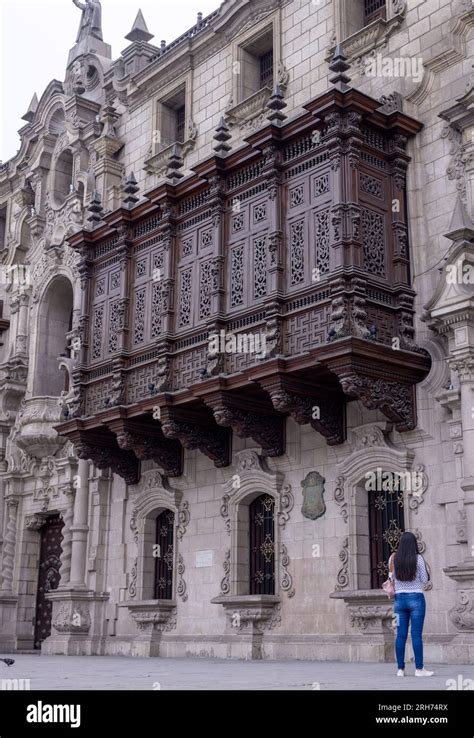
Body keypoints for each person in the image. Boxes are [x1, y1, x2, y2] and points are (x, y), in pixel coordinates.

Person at [388, 531, 433, 677]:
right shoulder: (418, 558)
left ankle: (400, 669)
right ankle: (419, 669)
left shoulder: (393, 558)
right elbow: (425, 579)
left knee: (399, 635)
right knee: (416, 635)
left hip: (398, 602)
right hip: (417, 600)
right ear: (414, 544)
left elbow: (390, 578)